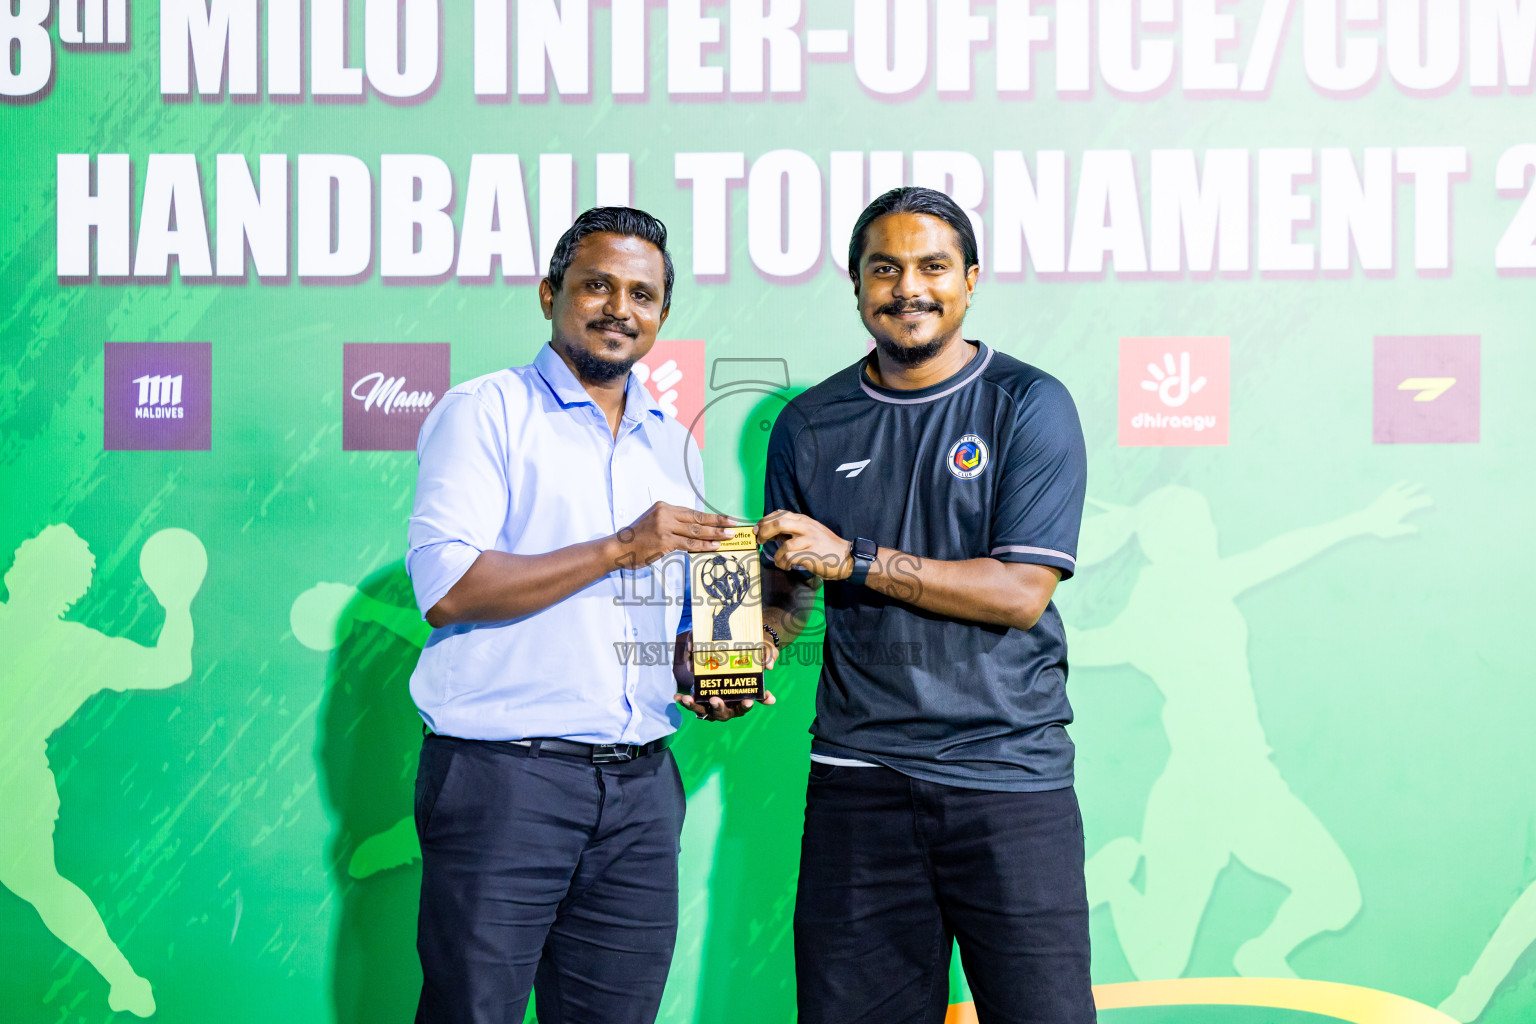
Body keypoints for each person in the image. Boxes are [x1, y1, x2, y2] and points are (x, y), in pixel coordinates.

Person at [404, 207, 774, 1024]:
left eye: (642, 293)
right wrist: (619, 546)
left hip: (641, 789)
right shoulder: (485, 412)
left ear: (662, 317)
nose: (619, 308)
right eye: (597, 285)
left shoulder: (673, 442)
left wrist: (711, 671)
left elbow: (661, 620)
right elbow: (449, 586)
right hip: (506, 779)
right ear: (549, 294)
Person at [755, 187, 1094, 1024]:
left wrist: (858, 560)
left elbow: (1020, 593)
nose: (909, 288)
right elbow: (788, 592)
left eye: (932, 266)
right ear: (857, 284)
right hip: (858, 785)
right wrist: (742, 655)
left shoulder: (1029, 404)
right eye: (886, 268)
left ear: (970, 280)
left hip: (1008, 779)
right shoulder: (807, 425)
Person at [0, 524, 206, 1019]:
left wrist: (179, 604)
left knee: (41, 887)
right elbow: (170, 666)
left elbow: (170, 667)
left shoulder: (76, 649)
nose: (17, 553)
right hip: (20, 784)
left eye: (27, 553)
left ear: (35, 572)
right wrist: (176, 606)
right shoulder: (78, 649)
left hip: (16, 785)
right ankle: (124, 980)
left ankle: (124, 979)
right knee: (42, 887)